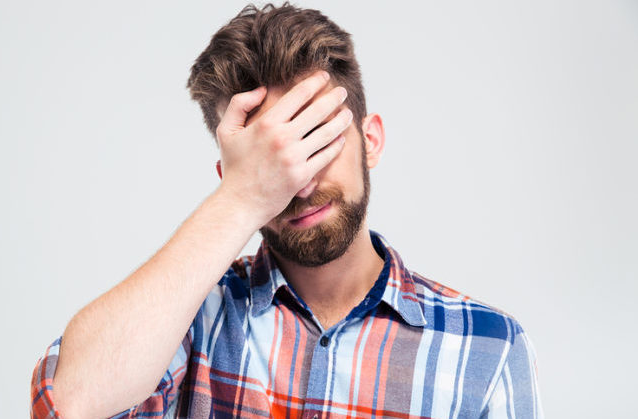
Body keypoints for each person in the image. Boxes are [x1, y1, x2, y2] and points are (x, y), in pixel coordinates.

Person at [30, 3, 543, 418]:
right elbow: (68, 407)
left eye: (317, 141)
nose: (299, 183)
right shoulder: (191, 322)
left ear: (370, 141)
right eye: (270, 161)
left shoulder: (489, 349)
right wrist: (241, 199)